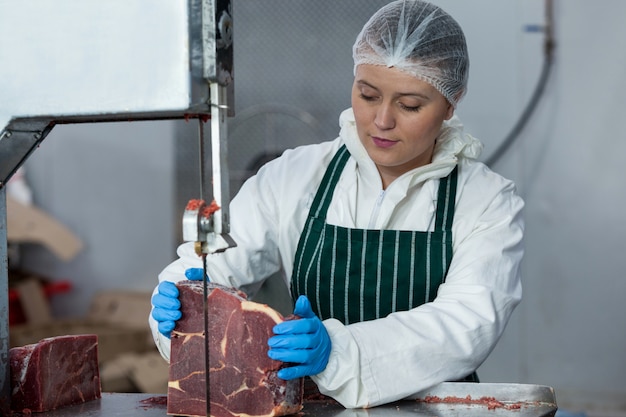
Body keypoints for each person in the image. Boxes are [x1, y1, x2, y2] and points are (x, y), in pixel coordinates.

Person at [150, 0, 524, 409]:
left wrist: (341, 351)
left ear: (451, 103)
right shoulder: (294, 175)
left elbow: (467, 325)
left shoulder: (486, 201)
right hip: (314, 406)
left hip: (436, 409)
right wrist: (179, 303)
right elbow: (213, 265)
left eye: (410, 105)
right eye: (367, 95)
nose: (381, 120)